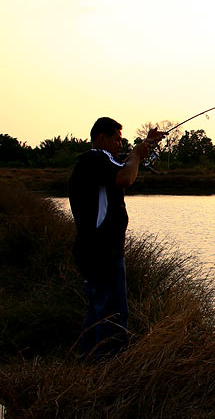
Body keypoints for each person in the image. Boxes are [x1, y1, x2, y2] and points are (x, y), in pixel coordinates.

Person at [68, 117, 164, 359]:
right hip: (102, 251)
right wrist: (136, 156)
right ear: (101, 138)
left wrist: (146, 145)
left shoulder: (101, 162)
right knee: (112, 313)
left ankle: (88, 363)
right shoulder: (94, 159)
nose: (120, 145)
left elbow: (121, 165)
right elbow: (125, 177)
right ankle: (111, 367)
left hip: (95, 250)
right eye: (117, 140)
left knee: (98, 309)